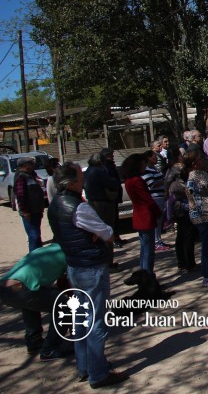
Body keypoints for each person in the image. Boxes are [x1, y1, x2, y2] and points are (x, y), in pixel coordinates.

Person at [47, 162, 127, 388]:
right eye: (80, 178)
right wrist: (98, 234)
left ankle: (85, 366)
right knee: (96, 321)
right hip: (90, 267)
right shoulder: (78, 207)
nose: (84, 181)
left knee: (81, 319)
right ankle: (98, 373)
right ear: (71, 183)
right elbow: (108, 233)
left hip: (74, 264)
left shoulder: (54, 205)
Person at [0, 243, 71, 360]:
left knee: (31, 302)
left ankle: (34, 341)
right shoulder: (70, 253)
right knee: (66, 306)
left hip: (5, 288)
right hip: (22, 288)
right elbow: (68, 286)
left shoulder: (49, 249)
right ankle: (50, 349)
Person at [182, 149, 208, 286]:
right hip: (205, 214)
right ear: (194, 163)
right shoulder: (201, 175)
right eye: (200, 159)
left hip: (196, 214)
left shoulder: (190, 176)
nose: (203, 161)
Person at [122, 153, 161, 276]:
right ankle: (148, 277)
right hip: (145, 217)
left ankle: (145, 275)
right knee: (148, 250)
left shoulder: (129, 180)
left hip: (140, 216)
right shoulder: (137, 181)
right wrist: (158, 213)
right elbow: (147, 200)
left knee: (144, 249)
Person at [166, 162, 197, 273]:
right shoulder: (178, 186)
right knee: (186, 238)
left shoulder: (179, 184)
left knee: (182, 237)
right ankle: (188, 263)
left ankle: (183, 262)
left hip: (181, 212)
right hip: (182, 212)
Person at [14, 156, 46, 252]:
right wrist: (25, 211)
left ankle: (39, 255)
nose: (33, 165)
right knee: (34, 236)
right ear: (24, 165)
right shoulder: (21, 177)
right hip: (29, 213)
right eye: (31, 163)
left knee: (37, 235)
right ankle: (33, 258)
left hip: (36, 210)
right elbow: (20, 195)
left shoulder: (31, 174)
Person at [142, 149, 171, 252]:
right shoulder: (146, 170)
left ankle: (158, 240)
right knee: (156, 222)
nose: (156, 158)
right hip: (155, 198)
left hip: (161, 197)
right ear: (148, 158)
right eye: (153, 156)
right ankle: (156, 242)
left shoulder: (154, 168)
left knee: (159, 222)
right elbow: (151, 184)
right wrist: (164, 181)